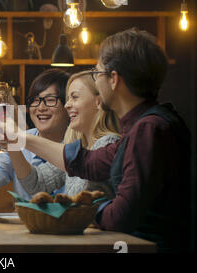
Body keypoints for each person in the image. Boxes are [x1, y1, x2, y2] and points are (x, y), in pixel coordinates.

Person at [16, 28, 191, 252]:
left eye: (97, 73)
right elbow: (90, 162)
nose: (96, 81)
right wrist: (19, 137)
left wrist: (76, 210)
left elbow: (121, 216)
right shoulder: (141, 126)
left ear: (114, 79)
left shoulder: (149, 129)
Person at [16, 70, 120, 199]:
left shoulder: (108, 143)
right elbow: (36, 183)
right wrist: (12, 143)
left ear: (98, 102)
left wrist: (18, 136)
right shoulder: (80, 145)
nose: (67, 105)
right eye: (68, 98)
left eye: (74, 97)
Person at [0, 69, 70, 201]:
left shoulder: (78, 144)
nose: (40, 107)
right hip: (26, 220)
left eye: (50, 100)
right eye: (35, 100)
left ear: (68, 105)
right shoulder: (17, 139)